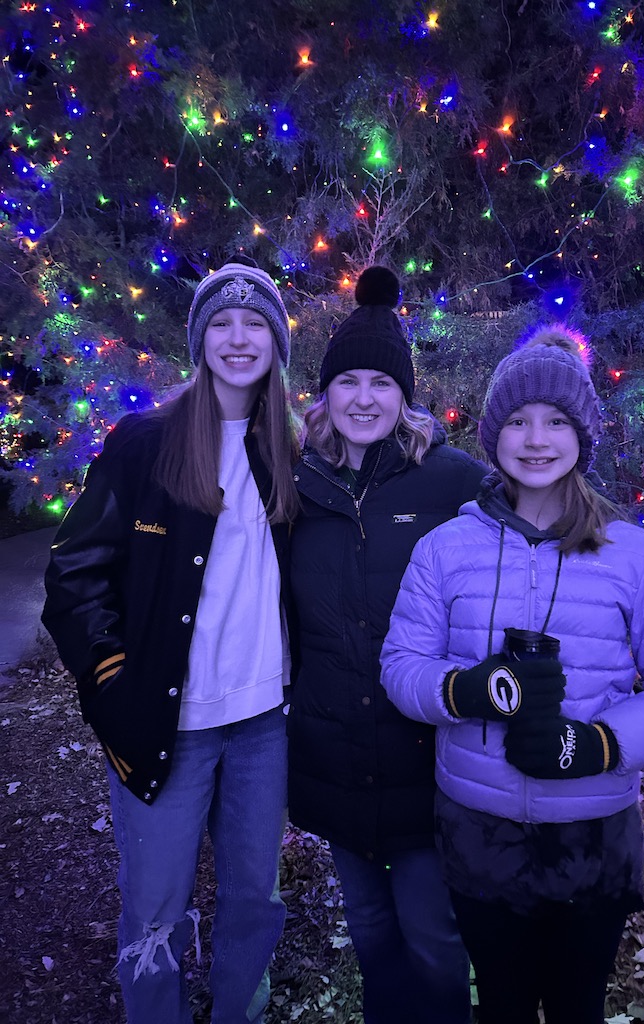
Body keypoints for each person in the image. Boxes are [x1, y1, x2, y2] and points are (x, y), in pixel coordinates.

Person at [380, 324, 644, 1024]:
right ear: (494, 433)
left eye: (557, 422)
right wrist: (463, 689)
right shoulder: (445, 549)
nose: (537, 439)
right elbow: (401, 666)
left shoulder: (634, 555)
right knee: (502, 1007)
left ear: (582, 437)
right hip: (480, 835)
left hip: (592, 844)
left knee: (575, 1008)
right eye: (519, 421)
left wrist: (595, 744)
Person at [41, 263, 300, 1024]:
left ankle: (236, 1012)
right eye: (221, 323)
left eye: (255, 324)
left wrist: (413, 427)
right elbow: (74, 573)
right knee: (155, 907)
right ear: (199, 340)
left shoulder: (288, 448)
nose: (239, 338)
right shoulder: (143, 443)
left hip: (262, 726)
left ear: (277, 343)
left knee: (256, 897)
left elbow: (372, 457)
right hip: (165, 724)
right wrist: (110, 684)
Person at [287, 266, 485, 1024]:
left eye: (381, 382)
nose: (363, 398)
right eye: (348, 382)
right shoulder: (296, 486)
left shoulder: (452, 482)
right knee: (370, 929)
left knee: (434, 938)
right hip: (333, 749)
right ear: (325, 394)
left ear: (404, 395)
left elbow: (537, 536)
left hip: (427, 757)